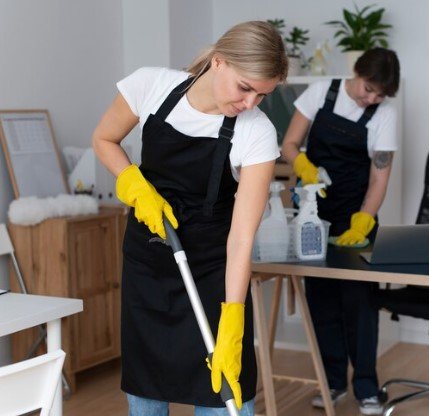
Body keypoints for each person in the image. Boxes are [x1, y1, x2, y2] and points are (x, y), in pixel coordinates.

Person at [92, 21, 288, 416]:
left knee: (227, 394)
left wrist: (233, 319)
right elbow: (104, 139)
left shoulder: (257, 133)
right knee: (146, 393)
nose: (250, 103)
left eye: (262, 95)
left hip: (215, 270)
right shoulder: (151, 86)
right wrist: (133, 182)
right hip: (148, 265)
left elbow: (241, 239)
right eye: (245, 88)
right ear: (218, 62)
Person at [281, 47, 400, 415]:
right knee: (322, 301)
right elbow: (289, 144)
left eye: (380, 94)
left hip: (356, 214)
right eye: (368, 89)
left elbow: (380, 176)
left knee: (361, 303)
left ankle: (365, 386)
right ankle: (332, 382)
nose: (372, 98)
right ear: (357, 72)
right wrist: (302, 165)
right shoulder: (321, 93)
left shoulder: (385, 114)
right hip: (314, 213)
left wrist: (364, 219)